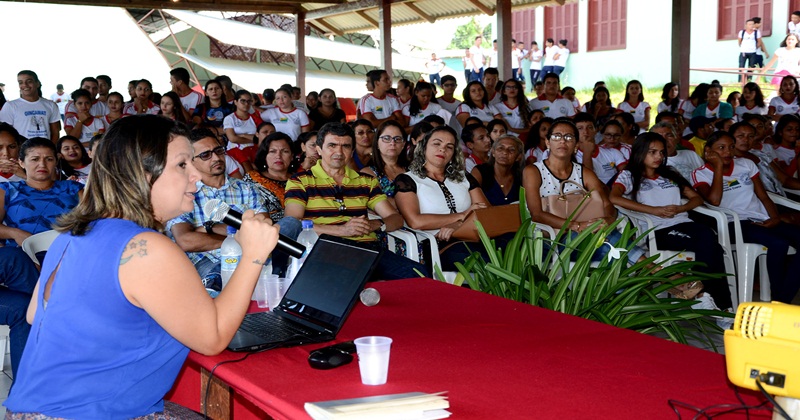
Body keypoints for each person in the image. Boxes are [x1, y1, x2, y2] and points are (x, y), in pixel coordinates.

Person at [3, 115, 279, 418]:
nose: (196, 176)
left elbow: (35, 314)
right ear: (142, 173)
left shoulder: (69, 237)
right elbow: (212, 338)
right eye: (183, 165)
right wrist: (252, 253)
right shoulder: (147, 248)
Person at [284, 122, 427, 280]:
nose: (339, 152)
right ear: (319, 149)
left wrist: (374, 224)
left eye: (345, 146)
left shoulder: (365, 181)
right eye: (332, 145)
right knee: (350, 283)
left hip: (367, 249)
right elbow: (293, 223)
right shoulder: (300, 181)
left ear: (352, 151)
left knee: (419, 275)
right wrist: (342, 230)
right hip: (325, 249)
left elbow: (396, 218)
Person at [610, 132, 732, 311]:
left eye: (661, 152)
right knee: (708, 241)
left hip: (682, 223)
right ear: (640, 152)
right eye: (652, 152)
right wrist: (653, 210)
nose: (658, 157)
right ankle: (720, 305)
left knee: (709, 241)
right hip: (657, 230)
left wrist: (681, 208)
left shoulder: (669, 174)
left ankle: (708, 298)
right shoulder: (629, 175)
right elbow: (614, 198)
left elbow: (696, 198)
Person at [168, 127, 300, 287]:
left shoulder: (246, 188)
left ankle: (274, 274)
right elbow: (186, 240)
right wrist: (236, 240)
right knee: (217, 274)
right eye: (205, 155)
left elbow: (264, 226)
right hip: (211, 262)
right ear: (191, 161)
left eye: (218, 150)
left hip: (254, 255)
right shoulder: (185, 192)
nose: (216, 158)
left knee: (290, 224)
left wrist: (209, 229)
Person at [692, 131, 800, 304]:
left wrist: (775, 218)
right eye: (721, 148)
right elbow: (714, 200)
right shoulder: (701, 173)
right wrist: (718, 167)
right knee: (779, 244)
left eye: (731, 147)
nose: (727, 152)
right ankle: (781, 299)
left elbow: (763, 196)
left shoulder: (746, 164)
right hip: (734, 224)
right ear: (708, 151)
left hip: (761, 218)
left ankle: (783, 296)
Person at [522, 118, 645, 265]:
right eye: (556, 136)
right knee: (606, 243)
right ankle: (651, 268)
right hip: (551, 238)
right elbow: (537, 214)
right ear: (548, 142)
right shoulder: (533, 171)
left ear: (576, 145)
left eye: (568, 137)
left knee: (604, 241)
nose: (562, 141)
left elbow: (607, 203)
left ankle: (643, 271)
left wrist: (607, 220)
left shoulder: (584, 172)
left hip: (587, 232)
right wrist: (577, 226)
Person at [395, 125, 497, 270]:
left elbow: (486, 211)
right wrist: (463, 215)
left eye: (449, 146)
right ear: (424, 148)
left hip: (473, 237)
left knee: (511, 248)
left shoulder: (464, 177)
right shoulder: (407, 180)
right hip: (437, 246)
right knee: (488, 262)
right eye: (437, 143)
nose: (442, 149)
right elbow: (415, 221)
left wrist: (458, 225)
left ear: (453, 153)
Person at [1, 138, 83, 248]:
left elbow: (95, 219)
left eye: (49, 159)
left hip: (69, 253)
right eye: (35, 159)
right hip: (22, 257)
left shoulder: (73, 188)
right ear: (21, 163)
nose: (42, 164)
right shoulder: (8, 190)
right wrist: (14, 233)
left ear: (56, 162)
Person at [244, 132, 295, 223]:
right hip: (265, 229)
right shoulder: (252, 179)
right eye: (272, 151)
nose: (278, 156)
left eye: (285, 151)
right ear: (264, 156)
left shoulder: (300, 179)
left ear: (292, 156)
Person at [0, 70, 61, 142]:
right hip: (22, 151)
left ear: (37, 83)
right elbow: (6, 133)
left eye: (29, 81)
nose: (25, 85)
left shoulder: (51, 105)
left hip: (44, 151)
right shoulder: (10, 106)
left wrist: (50, 149)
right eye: (20, 82)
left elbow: (55, 132)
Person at [361, 120, 409, 203]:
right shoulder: (367, 173)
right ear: (377, 143)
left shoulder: (412, 170)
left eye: (397, 139)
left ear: (403, 144)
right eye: (386, 138)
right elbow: (381, 204)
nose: (392, 143)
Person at [471, 134, 523, 205]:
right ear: (493, 152)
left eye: (511, 150)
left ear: (518, 157)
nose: (505, 152)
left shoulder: (522, 176)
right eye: (500, 148)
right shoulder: (480, 171)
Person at [224, 90, 264, 170]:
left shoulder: (255, 118)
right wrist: (254, 139)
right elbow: (232, 138)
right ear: (235, 102)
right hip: (236, 152)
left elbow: (263, 137)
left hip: (254, 152)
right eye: (243, 101)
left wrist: (242, 135)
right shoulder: (230, 118)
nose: (246, 104)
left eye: (249, 101)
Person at [738, 18, 770, 82]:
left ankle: (748, 80)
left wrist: (754, 47)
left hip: (753, 52)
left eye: (752, 24)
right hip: (743, 52)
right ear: (746, 25)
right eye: (749, 24)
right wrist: (744, 47)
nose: (751, 26)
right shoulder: (742, 32)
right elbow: (739, 41)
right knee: (741, 67)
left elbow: (759, 42)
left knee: (751, 68)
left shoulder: (756, 32)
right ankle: (740, 81)